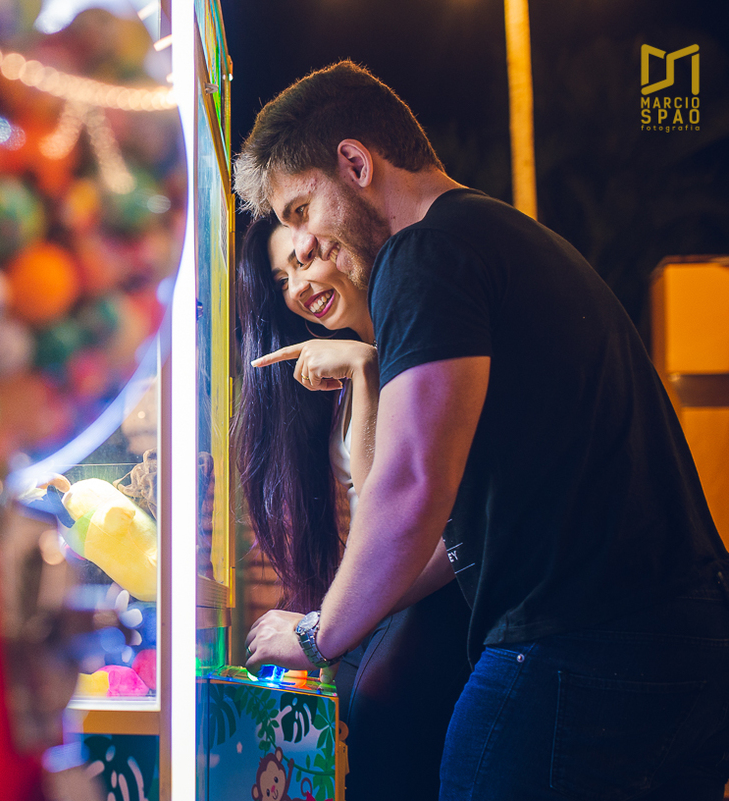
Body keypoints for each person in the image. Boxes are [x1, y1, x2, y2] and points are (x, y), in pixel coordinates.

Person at [236, 60, 729, 799]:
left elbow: (410, 484)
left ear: (354, 163)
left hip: (583, 646)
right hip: (678, 644)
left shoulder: (426, 251)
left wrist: (315, 634)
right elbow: (447, 531)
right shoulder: (495, 236)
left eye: (302, 210)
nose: (302, 246)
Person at [233, 212, 472, 800]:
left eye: (306, 259)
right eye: (282, 276)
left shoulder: (403, 350)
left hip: (446, 620)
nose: (298, 287)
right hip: (403, 616)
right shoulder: (360, 357)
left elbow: (399, 523)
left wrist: (324, 630)